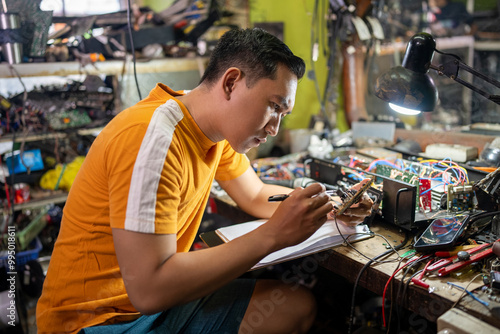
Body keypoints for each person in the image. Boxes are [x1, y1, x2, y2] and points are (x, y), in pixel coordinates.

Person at [36, 27, 372, 334]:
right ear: (231, 83)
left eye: (283, 115)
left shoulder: (211, 129)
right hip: (97, 320)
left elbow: (255, 195)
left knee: (296, 306)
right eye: (273, 107)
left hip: (147, 304)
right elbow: (149, 290)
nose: (275, 129)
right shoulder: (154, 139)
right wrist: (273, 236)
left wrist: (329, 204)